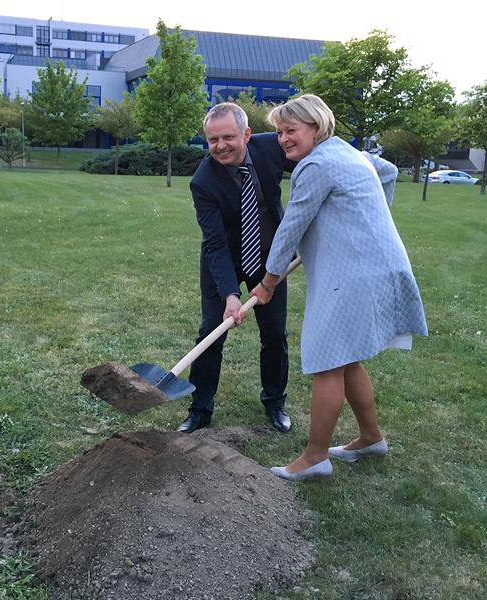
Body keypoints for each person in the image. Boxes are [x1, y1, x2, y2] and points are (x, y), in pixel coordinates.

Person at [248, 94, 428, 481]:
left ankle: (315, 457)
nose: (282, 139)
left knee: (326, 361)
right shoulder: (347, 153)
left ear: (315, 126)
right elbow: (390, 171)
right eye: (279, 132)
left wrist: (268, 283)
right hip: (377, 265)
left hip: (356, 275)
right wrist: (367, 216)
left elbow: (291, 226)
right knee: (346, 360)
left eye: (290, 130)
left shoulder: (316, 165)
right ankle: (371, 438)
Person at [177, 102, 296, 434]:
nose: (220, 146)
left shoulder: (273, 147)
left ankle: (275, 403)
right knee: (210, 334)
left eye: (228, 137)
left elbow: (312, 159)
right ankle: (200, 409)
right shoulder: (203, 181)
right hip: (224, 259)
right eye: (212, 140)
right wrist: (230, 293)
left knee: (274, 335)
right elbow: (214, 244)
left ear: (246, 134)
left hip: (270, 256)